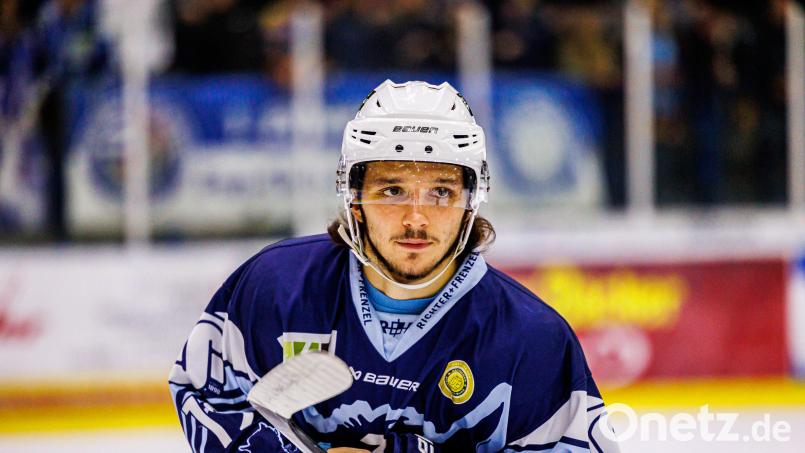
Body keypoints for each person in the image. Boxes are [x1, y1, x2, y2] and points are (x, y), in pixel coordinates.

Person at [169, 80, 620, 452]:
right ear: (355, 199)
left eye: (441, 192)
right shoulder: (275, 288)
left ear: (470, 202)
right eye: (392, 191)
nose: (416, 218)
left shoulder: (531, 339)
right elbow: (208, 394)